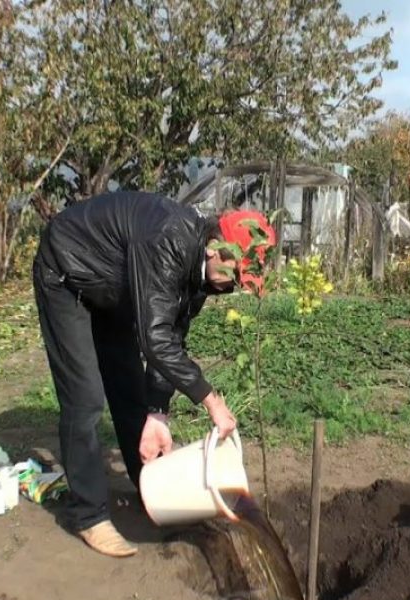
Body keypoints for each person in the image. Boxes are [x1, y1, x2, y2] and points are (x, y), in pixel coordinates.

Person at [31, 190, 275, 558]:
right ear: (214, 249)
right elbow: (155, 339)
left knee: (130, 388)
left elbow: (172, 337)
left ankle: (148, 486)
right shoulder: (168, 241)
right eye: (236, 276)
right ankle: (88, 516)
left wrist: (158, 411)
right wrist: (210, 400)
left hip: (113, 287)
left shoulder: (202, 274)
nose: (235, 286)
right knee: (85, 398)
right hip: (67, 271)